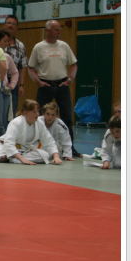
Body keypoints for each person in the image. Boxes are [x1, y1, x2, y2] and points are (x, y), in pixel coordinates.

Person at [28, 19, 79, 157]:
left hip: (62, 84)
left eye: (59, 29)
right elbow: (31, 67)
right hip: (45, 84)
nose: (59, 32)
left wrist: (70, 79)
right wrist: (38, 81)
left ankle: (70, 149)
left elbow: (74, 64)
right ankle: (37, 145)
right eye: (56, 29)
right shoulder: (39, 47)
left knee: (67, 117)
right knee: (39, 116)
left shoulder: (64, 46)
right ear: (47, 30)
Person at [0, 99, 63, 165]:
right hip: (6, 147)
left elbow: (49, 141)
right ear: (25, 112)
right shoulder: (16, 122)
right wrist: (22, 159)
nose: (37, 115)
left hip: (25, 150)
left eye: (37, 112)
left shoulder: (39, 123)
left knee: (45, 155)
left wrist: (56, 157)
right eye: (34, 112)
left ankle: (11, 158)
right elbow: (9, 143)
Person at [3, 15, 28, 116]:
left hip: (13, 83)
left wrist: (21, 85)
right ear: (4, 25)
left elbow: (23, 66)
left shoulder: (20, 46)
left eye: (13, 24)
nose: (10, 26)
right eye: (8, 23)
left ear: (17, 28)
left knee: (12, 111)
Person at [0, 29, 19, 129]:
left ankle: (3, 138)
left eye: (8, 41)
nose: (7, 43)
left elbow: (15, 72)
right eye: (5, 41)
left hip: (4, 92)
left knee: (3, 120)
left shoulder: (7, 57)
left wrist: (12, 85)